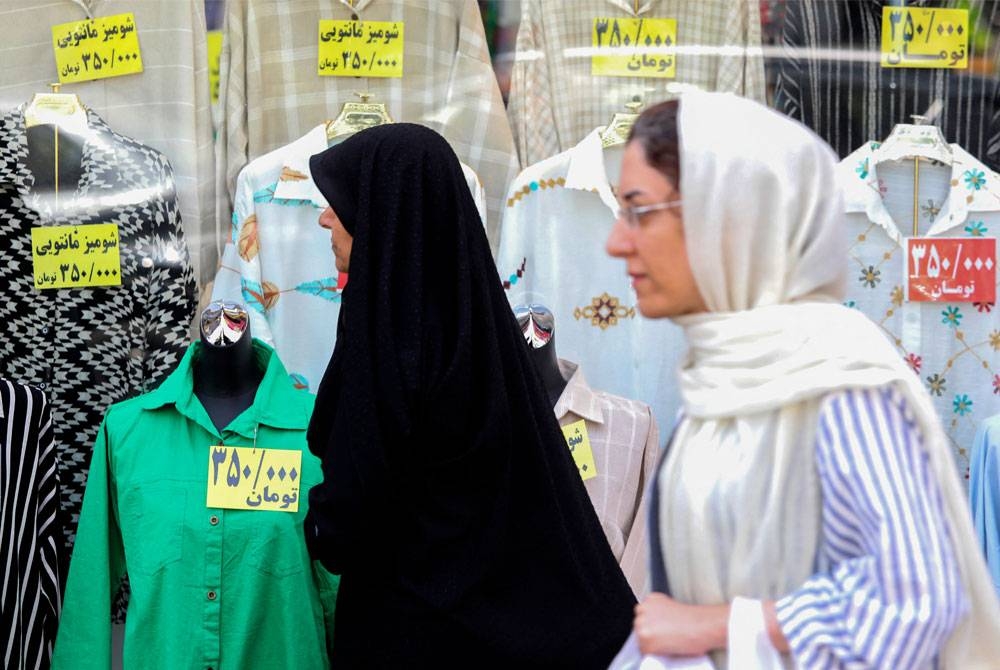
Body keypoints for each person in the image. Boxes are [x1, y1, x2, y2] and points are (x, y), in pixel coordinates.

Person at [605, 93, 1000, 668]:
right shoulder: (725, 379)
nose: (616, 242)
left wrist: (720, 625)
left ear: (725, 215)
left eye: (639, 211)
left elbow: (917, 598)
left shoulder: (835, 385)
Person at [304, 123, 635, 666]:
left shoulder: (389, 344)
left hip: (409, 638)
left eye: (339, 202)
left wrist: (320, 524)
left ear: (384, 213)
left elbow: (351, 509)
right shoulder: (481, 338)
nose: (325, 217)